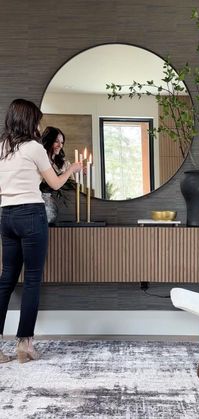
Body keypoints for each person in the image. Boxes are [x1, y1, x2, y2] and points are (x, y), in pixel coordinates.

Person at [0, 99, 81, 363]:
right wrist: (72, 169)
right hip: (31, 215)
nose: (38, 124)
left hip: (6, 215)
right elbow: (55, 183)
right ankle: (25, 344)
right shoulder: (34, 147)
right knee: (32, 279)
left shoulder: (2, 146)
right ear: (28, 120)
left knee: (6, 280)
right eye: (36, 119)